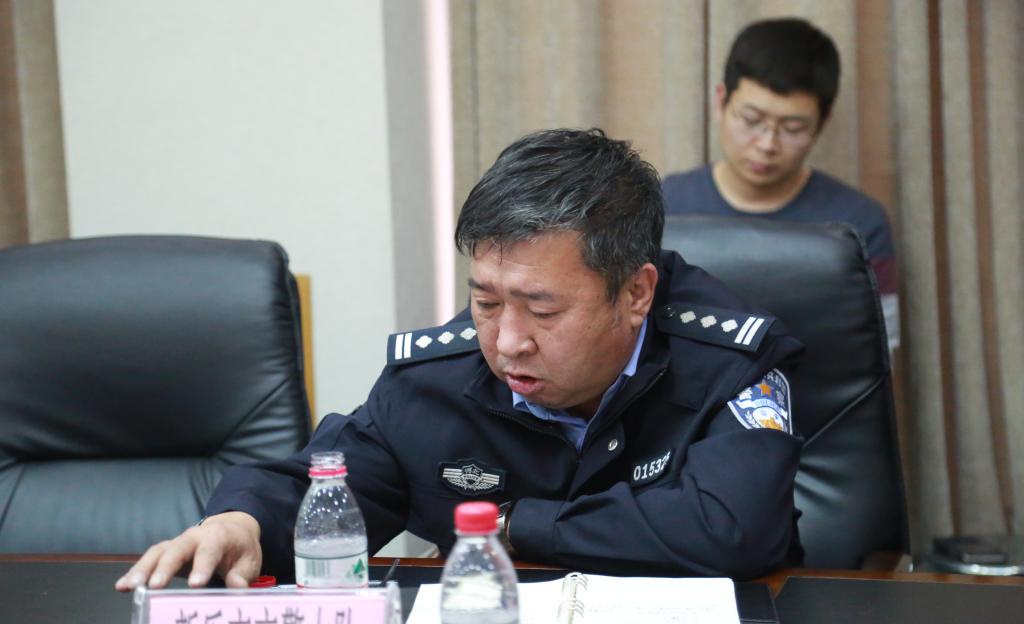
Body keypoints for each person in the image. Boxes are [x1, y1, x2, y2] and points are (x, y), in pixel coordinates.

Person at [116, 128, 804, 593]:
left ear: (635, 294)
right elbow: (332, 486)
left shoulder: (728, 360)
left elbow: (736, 530)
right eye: (486, 301)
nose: (506, 342)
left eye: (542, 310)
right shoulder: (438, 380)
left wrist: (513, 525)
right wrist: (241, 522)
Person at [661, 18, 899, 350]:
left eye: (792, 128)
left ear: (822, 123)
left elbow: (879, 354)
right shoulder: (665, 205)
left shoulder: (858, 223)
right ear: (720, 101)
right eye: (751, 120)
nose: (767, 144)